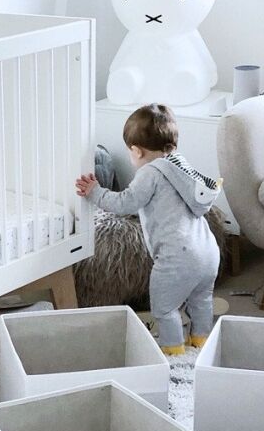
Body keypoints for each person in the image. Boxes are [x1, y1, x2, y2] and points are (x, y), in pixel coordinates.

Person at [75, 104, 221, 355]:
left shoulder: (149, 173)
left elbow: (124, 204)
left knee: (164, 308)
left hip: (178, 256)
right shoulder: (182, 168)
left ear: (136, 151)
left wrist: (95, 192)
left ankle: (173, 350)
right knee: (201, 300)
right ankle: (201, 341)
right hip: (208, 252)